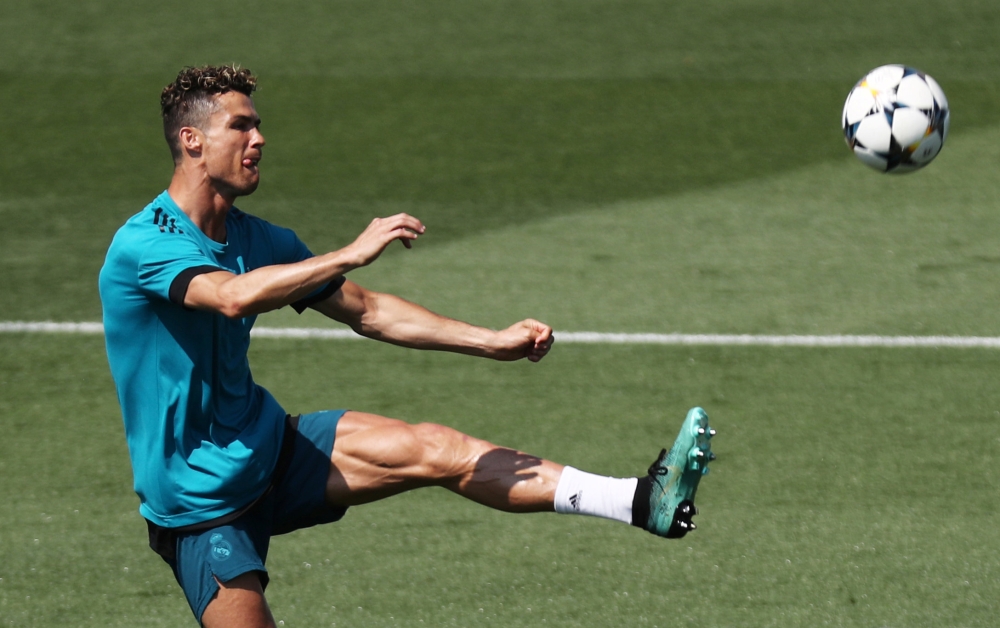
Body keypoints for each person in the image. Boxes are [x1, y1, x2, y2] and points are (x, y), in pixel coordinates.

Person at [98, 65, 716, 627]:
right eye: (241, 126)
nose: (259, 139)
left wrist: (489, 341)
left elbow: (367, 310)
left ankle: (641, 502)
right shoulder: (145, 244)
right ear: (192, 141)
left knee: (439, 449)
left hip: (269, 448)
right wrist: (348, 251)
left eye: (258, 125)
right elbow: (230, 297)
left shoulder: (258, 238)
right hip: (200, 504)